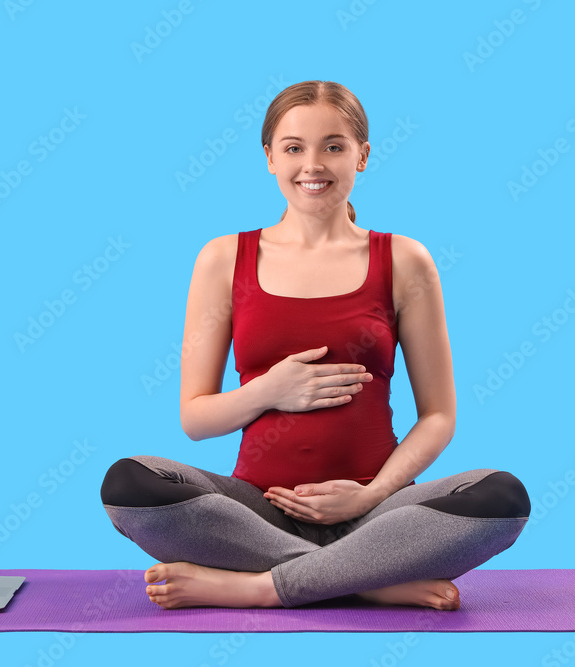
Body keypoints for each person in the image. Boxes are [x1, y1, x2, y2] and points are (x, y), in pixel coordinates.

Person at [101, 80, 530, 610]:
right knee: (131, 485)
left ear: (363, 156)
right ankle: (366, 582)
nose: (313, 164)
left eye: (334, 145)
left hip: (381, 515)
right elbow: (196, 418)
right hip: (255, 512)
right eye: (294, 148)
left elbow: (439, 415)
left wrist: (371, 494)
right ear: (269, 158)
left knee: (502, 498)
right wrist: (269, 390)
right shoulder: (222, 258)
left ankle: (260, 587)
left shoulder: (405, 260)